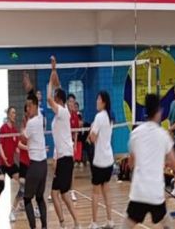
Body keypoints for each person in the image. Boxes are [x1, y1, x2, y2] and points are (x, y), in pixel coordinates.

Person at [124, 93, 175, 228]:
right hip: (155, 193)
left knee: (126, 225)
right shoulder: (163, 135)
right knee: (167, 222)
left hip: (139, 192)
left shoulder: (135, 133)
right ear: (158, 111)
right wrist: (164, 162)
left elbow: (130, 163)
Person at [46, 56, 80, 229]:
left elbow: (48, 98)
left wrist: (49, 82)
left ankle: (65, 224)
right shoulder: (62, 110)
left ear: (59, 100)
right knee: (63, 194)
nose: (54, 98)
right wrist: (54, 69)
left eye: (55, 97)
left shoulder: (62, 111)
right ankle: (73, 223)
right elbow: (58, 84)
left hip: (66, 157)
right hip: (64, 157)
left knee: (57, 193)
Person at [0, 106, 21, 222]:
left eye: (15, 113)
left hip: (11, 163)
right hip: (2, 163)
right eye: (12, 112)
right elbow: (0, 146)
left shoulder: (15, 130)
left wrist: (26, 152)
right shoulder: (3, 129)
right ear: (8, 115)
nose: (14, 114)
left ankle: (13, 210)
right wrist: (4, 158)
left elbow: (17, 148)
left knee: (23, 183)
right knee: (1, 184)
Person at [88, 90, 115, 229]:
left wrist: (91, 129)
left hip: (99, 161)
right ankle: (110, 221)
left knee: (95, 193)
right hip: (109, 160)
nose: (96, 101)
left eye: (98, 99)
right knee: (107, 191)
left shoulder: (99, 117)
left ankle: (94, 223)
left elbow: (92, 138)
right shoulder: (110, 117)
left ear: (103, 102)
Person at [22, 90, 48, 229]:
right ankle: (44, 227)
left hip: (36, 165)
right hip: (44, 165)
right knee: (39, 198)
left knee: (27, 199)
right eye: (26, 106)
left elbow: (23, 138)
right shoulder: (41, 118)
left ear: (36, 106)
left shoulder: (31, 123)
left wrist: (22, 127)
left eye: (30, 106)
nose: (27, 108)